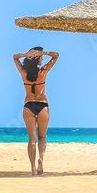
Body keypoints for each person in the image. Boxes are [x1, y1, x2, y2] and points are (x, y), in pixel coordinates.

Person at [12, 46, 59, 175]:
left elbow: (14, 57)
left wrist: (25, 54)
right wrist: (43, 52)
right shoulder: (43, 71)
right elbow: (56, 55)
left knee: (32, 140)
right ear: (38, 59)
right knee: (42, 137)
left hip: (28, 106)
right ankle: (41, 160)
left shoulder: (23, 72)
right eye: (41, 57)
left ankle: (33, 168)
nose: (43, 58)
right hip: (42, 105)